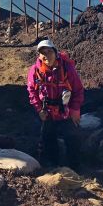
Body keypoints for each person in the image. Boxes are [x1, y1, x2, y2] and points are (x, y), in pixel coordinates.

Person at [27, 39, 84, 170]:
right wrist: (39, 109)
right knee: (48, 138)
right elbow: (32, 91)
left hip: (66, 111)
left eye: (49, 51)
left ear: (55, 52)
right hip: (47, 112)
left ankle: (75, 166)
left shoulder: (67, 68)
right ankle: (53, 165)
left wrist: (75, 110)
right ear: (39, 56)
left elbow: (78, 90)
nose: (46, 55)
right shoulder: (35, 71)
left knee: (73, 138)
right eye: (43, 53)